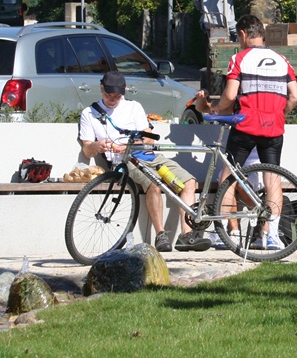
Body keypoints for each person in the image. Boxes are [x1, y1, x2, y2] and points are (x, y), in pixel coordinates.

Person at [193, 14, 297, 250]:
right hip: (274, 127)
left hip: (246, 125)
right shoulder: (282, 60)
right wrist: (279, 113)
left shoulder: (239, 58)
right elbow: (295, 96)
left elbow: (230, 96)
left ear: (243, 34)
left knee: (228, 177)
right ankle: (271, 235)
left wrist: (216, 107)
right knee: (273, 178)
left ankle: (227, 232)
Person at [78, 71, 209, 253]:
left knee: (189, 182)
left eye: (117, 95)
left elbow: (149, 137)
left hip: (148, 156)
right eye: (108, 95)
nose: (112, 99)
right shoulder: (89, 113)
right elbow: (86, 148)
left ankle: (186, 235)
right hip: (124, 162)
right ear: (101, 89)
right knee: (154, 183)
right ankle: (160, 234)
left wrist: (135, 143)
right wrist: (97, 145)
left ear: (124, 90)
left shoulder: (134, 107)